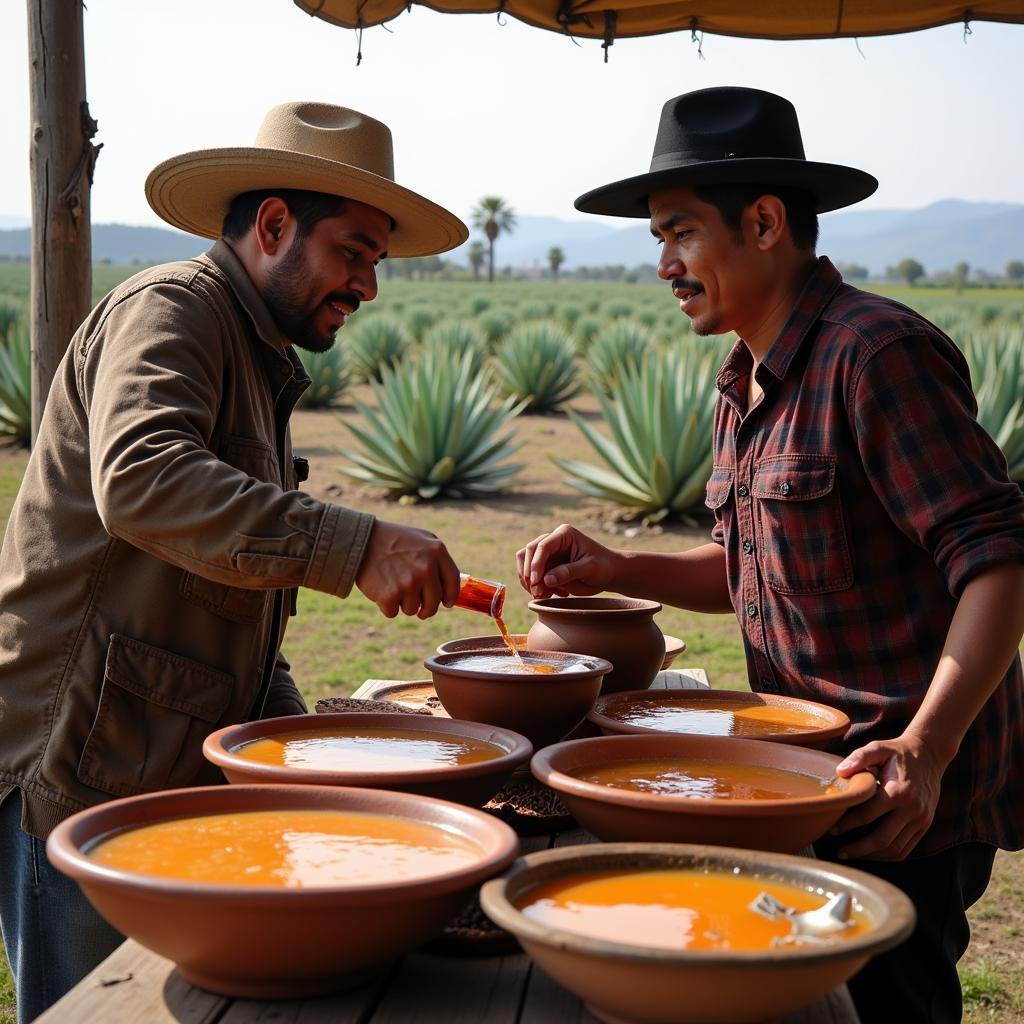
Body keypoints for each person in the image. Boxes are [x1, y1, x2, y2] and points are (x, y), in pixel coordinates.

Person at [518, 87, 1024, 1024]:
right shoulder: (744, 378)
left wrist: (928, 746)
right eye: (656, 240)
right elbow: (752, 568)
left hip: (895, 791)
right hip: (797, 777)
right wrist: (620, 566)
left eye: (679, 233)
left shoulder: (875, 355)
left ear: (762, 223)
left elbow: (996, 560)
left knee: (887, 1006)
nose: (664, 264)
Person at [0, 100, 469, 1022]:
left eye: (375, 262)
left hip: (144, 761)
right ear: (275, 226)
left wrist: (295, 749)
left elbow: (229, 596)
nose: (368, 285)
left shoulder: (254, 352)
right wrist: (359, 544)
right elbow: (141, 480)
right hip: (72, 774)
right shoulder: (172, 309)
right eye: (356, 253)